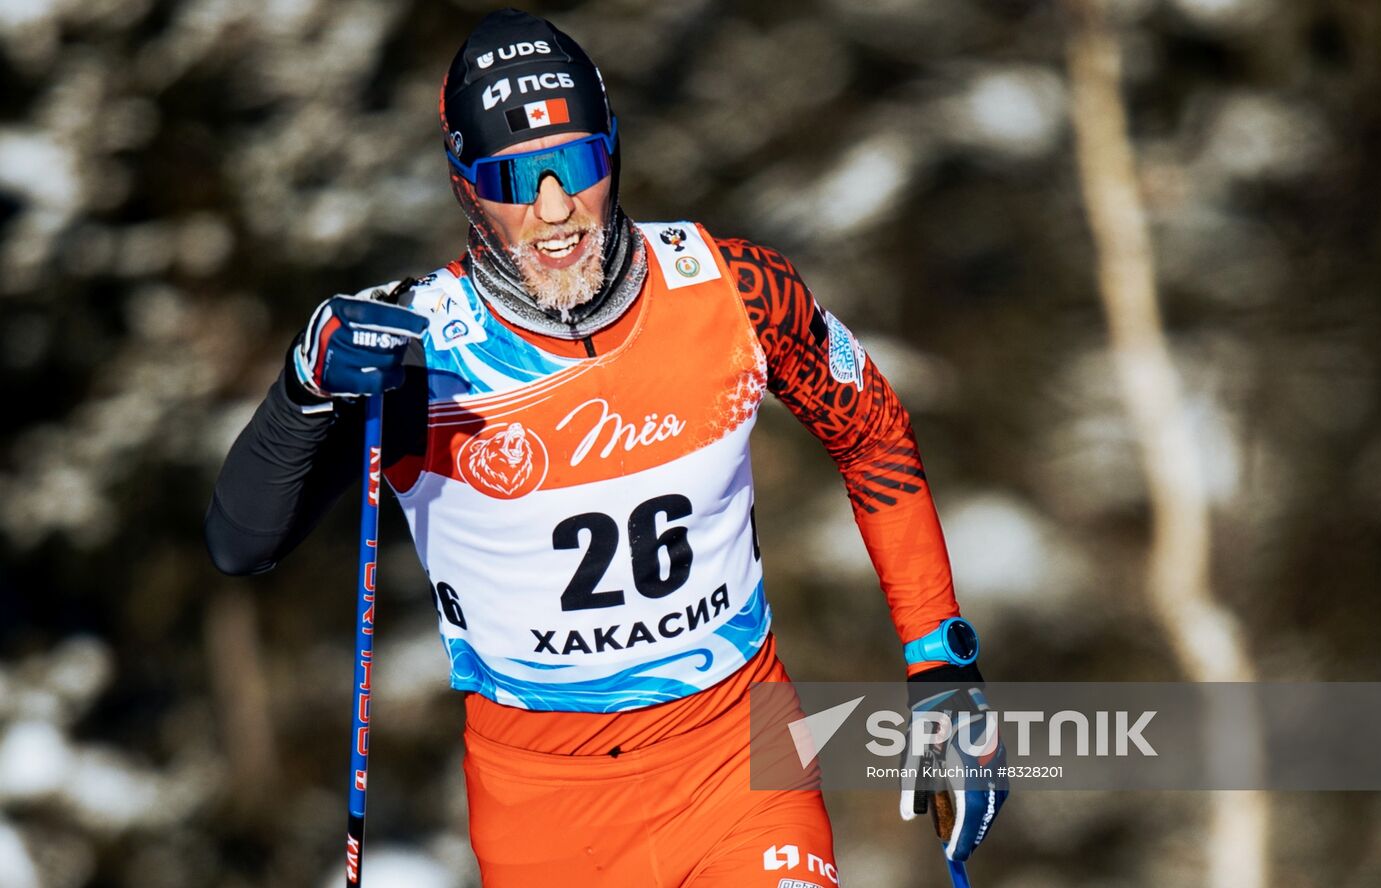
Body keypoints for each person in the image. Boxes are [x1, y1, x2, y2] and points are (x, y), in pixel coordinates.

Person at [206, 8, 1006, 886]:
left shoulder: (734, 289)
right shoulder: (414, 346)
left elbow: (873, 434)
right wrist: (303, 389)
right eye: (515, 178)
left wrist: (941, 659)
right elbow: (243, 543)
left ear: (613, 153)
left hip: (739, 759)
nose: (556, 210)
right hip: (545, 807)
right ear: (465, 186)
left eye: (577, 163)